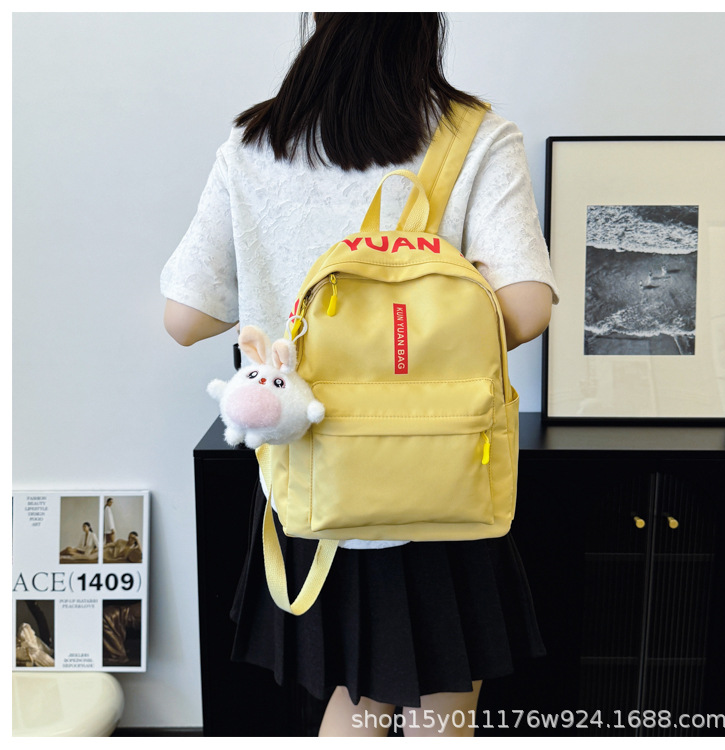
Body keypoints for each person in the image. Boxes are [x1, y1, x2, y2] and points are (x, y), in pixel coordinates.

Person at [161, 13, 558, 737]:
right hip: (438, 471)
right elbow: (527, 309)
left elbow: (184, 318)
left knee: (355, 704)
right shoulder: (475, 136)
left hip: (312, 477)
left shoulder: (256, 144)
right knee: (443, 709)